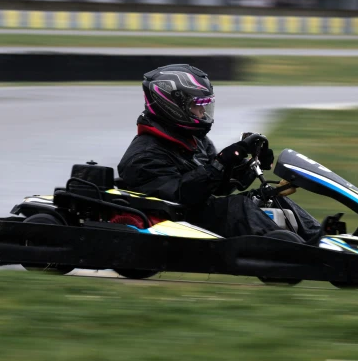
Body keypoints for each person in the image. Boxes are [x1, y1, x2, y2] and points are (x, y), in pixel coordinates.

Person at [117, 64, 323, 241]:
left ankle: (321, 239)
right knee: (240, 208)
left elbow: (220, 186)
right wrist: (221, 162)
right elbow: (181, 196)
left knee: (269, 199)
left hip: (198, 213)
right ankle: (294, 251)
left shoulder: (195, 141)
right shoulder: (143, 157)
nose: (203, 114)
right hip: (176, 222)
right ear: (171, 106)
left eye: (205, 107)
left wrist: (249, 163)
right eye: (196, 107)